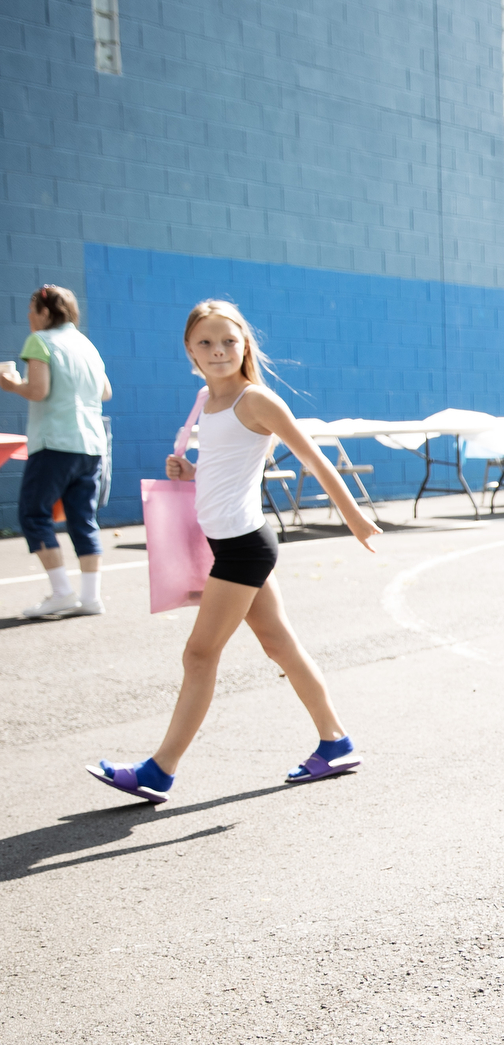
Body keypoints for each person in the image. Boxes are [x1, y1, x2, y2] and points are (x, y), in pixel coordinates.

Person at [86, 300, 382, 805]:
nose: (218, 350)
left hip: (244, 548)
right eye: (206, 342)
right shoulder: (207, 398)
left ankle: (159, 770)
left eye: (228, 340)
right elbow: (228, 468)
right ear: (189, 349)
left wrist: (354, 517)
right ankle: (336, 743)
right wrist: (192, 473)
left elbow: (314, 457)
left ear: (245, 345)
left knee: (199, 654)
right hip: (229, 542)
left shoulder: (256, 399)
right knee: (280, 645)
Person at [2, 285, 111, 619]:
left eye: (32, 309)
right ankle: (90, 597)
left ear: (46, 312)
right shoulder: (86, 344)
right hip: (91, 445)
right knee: (83, 519)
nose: (28, 316)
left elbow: (38, 391)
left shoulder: (40, 341)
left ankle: (62, 592)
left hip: (54, 443)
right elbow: (105, 392)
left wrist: (10, 383)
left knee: (34, 515)